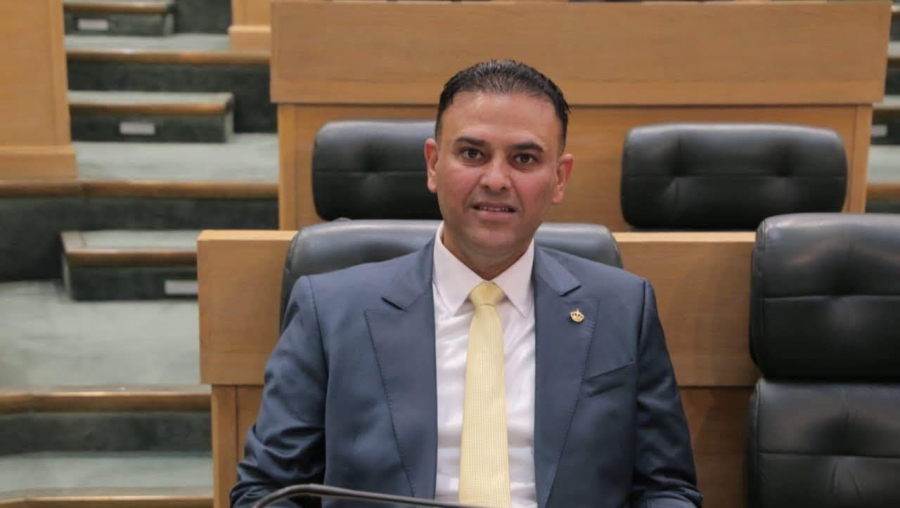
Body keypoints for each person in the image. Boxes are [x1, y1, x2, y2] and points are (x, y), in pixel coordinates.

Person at [232, 60, 702, 508]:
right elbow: (266, 491)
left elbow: (665, 488)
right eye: (473, 154)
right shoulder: (331, 311)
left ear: (559, 179)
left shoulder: (622, 308)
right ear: (433, 164)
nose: (496, 179)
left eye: (524, 158)